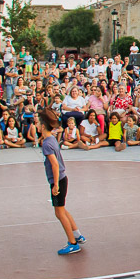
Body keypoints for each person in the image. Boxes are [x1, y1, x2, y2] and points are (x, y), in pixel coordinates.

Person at [37, 109, 85, 256]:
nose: (36, 125)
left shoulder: (46, 144)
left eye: (38, 123)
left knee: (59, 213)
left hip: (58, 180)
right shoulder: (51, 139)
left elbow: (55, 165)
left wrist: (56, 184)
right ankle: (77, 234)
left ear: (43, 126)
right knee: (62, 209)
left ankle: (73, 243)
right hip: (63, 178)